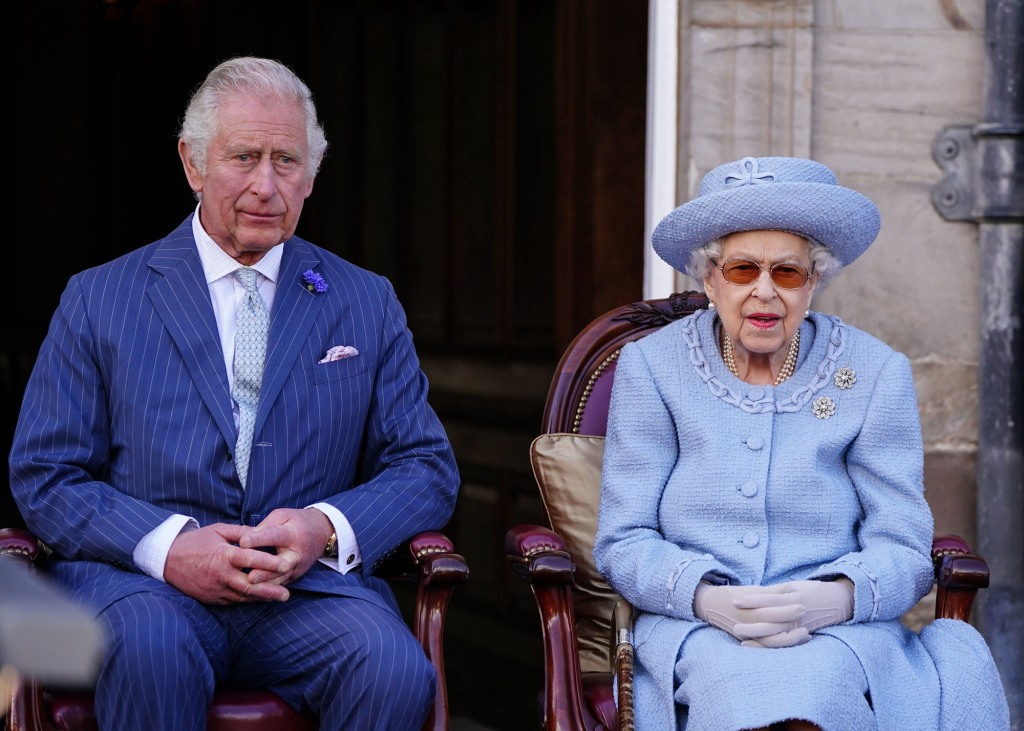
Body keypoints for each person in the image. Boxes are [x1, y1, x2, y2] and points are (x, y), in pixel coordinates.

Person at [8, 56, 459, 730]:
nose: (266, 185)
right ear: (192, 164)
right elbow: (44, 474)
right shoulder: (99, 297)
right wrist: (169, 546)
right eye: (244, 157)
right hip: (144, 588)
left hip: (307, 592)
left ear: (312, 173)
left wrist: (322, 527)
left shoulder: (366, 301)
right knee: (150, 652)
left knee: (392, 667)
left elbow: (425, 466)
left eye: (287, 160)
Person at [593, 156, 1009, 730]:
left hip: (836, 633)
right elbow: (624, 539)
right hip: (698, 629)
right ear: (709, 278)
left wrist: (835, 599)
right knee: (738, 691)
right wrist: (706, 598)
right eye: (743, 270)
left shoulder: (874, 372)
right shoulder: (652, 368)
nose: (765, 292)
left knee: (818, 688)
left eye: (787, 273)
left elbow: (905, 546)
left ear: (813, 281)